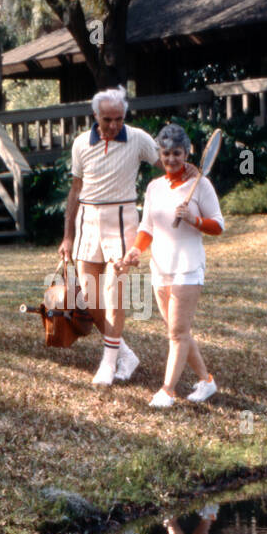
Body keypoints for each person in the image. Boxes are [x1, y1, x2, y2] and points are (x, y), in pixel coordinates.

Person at [60, 86, 196, 387]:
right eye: (107, 119)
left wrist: (188, 177)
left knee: (114, 292)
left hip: (122, 220)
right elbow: (75, 190)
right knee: (90, 295)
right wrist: (67, 236)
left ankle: (108, 364)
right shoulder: (81, 143)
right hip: (87, 221)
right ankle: (124, 353)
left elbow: (169, 167)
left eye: (119, 119)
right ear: (95, 116)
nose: (113, 125)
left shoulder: (138, 139)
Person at [117, 124, 223, 408]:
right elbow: (147, 227)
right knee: (180, 332)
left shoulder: (201, 184)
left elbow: (219, 225)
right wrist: (135, 251)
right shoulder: (154, 187)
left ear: (187, 152)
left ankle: (167, 391)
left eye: (177, 153)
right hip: (160, 268)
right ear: (160, 155)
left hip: (188, 268)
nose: (172, 159)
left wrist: (194, 220)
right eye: (166, 154)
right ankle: (206, 381)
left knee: (176, 333)